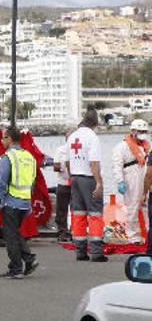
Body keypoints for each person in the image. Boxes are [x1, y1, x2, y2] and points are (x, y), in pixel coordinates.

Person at [0, 126, 39, 279]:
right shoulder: (29, 157)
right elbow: (32, 181)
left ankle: (16, 269)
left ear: (9, 139)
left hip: (10, 202)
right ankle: (27, 259)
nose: (1, 141)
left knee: (10, 236)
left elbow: (1, 183)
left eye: (3, 138)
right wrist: (29, 202)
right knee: (15, 233)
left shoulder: (8, 157)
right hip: (24, 202)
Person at [67, 109, 105, 262]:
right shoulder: (92, 137)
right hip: (88, 178)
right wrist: (98, 182)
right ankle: (96, 252)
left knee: (78, 214)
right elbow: (94, 162)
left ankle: (80, 251)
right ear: (95, 123)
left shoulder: (73, 136)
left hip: (75, 177)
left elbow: (67, 160)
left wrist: (72, 175)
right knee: (95, 214)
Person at [113, 119, 150, 245]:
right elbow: (117, 165)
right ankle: (133, 236)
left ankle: (148, 232)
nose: (142, 134)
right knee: (132, 206)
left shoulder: (145, 145)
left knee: (146, 204)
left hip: (144, 174)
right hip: (130, 176)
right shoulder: (122, 146)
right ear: (133, 131)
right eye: (140, 131)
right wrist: (120, 181)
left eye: (144, 131)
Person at [53, 131, 72, 242]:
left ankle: (75, 231)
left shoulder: (78, 150)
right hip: (63, 182)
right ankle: (62, 232)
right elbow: (55, 166)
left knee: (76, 209)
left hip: (75, 183)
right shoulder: (60, 150)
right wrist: (62, 166)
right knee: (61, 209)